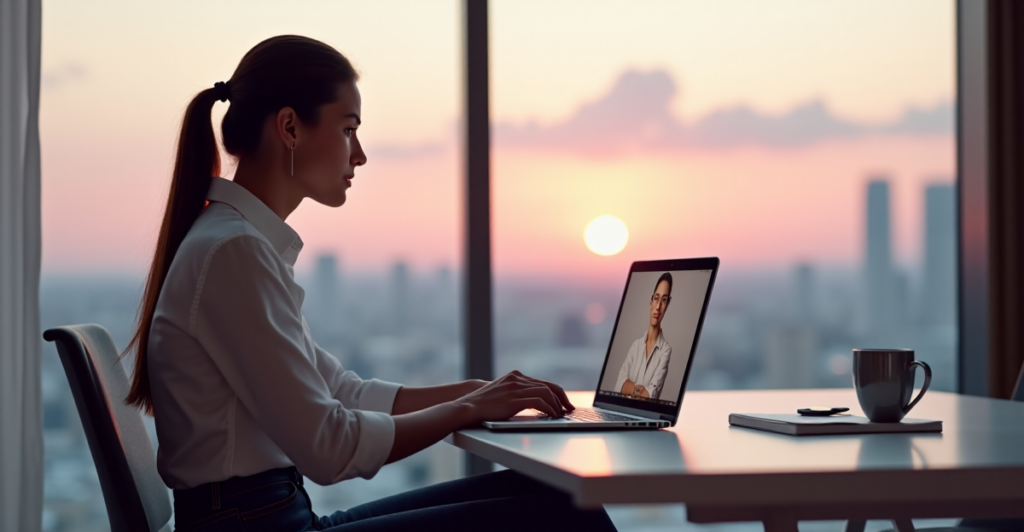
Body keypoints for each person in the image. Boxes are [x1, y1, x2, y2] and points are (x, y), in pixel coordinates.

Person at [121, 35, 618, 532]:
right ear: (290, 127)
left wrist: (473, 393)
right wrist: (467, 408)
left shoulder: (237, 244)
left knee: (555, 495)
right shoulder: (234, 253)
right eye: (347, 129)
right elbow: (329, 448)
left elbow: (341, 391)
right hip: (260, 524)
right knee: (564, 513)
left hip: (265, 513)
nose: (358, 155)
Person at [613, 273, 673, 400]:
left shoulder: (665, 350)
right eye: (656, 298)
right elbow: (618, 385)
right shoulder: (636, 345)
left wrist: (630, 387)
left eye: (664, 300)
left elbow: (651, 395)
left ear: (667, 304)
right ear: (651, 301)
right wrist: (640, 390)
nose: (658, 307)